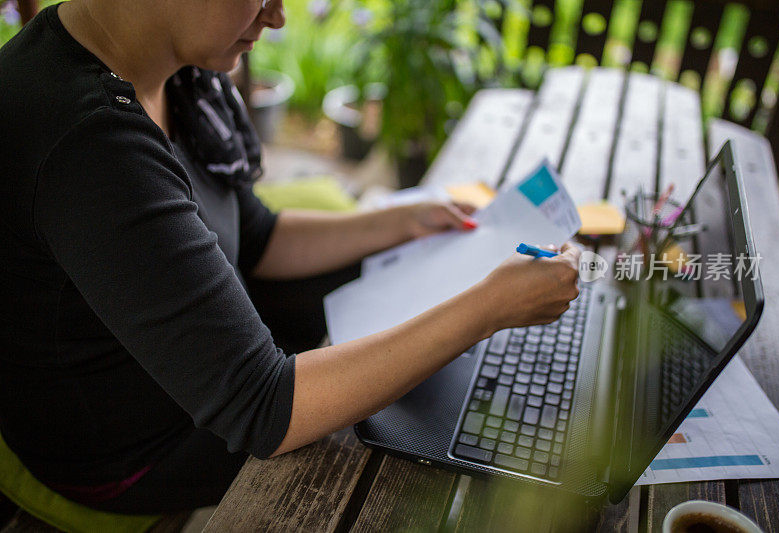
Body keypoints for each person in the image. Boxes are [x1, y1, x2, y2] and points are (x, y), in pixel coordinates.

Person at [0, 0, 580, 515]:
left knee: (411, 329)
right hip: (140, 447)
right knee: (399, 455)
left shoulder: (170, 69)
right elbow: (262, 407)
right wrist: (488, 308)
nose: (278, 17)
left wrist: (399, 221)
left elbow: (254, 237)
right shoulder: (91, 146)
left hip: (194, 376)